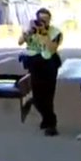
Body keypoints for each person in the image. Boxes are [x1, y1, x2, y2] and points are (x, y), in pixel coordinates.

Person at [19, 8, 62, 136]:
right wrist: (29, 32)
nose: (43, 22)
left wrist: (44, 33)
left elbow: (52, 49)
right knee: (36, 97)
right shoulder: (31, 29)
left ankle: (51, 124)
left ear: (49, 20)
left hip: (49, 63)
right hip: (34, 63)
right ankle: (46, 117)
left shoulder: (55, 32)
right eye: (40, 19)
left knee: (48, 96)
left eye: (46, 19)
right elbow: (20, 42)